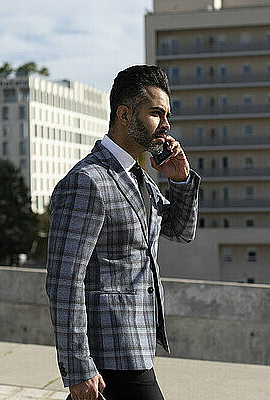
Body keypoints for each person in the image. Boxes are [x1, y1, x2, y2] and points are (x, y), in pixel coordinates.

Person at [46, 65, 200, 400]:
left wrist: (180, 181)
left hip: (137, 343)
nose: (166, 125)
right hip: (109, 352)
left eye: (167, 115)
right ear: (125, 114)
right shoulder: (88, 181)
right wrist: (78, 367)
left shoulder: (139, 176)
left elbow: (179, 229)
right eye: (156, 113)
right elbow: (64, 281)